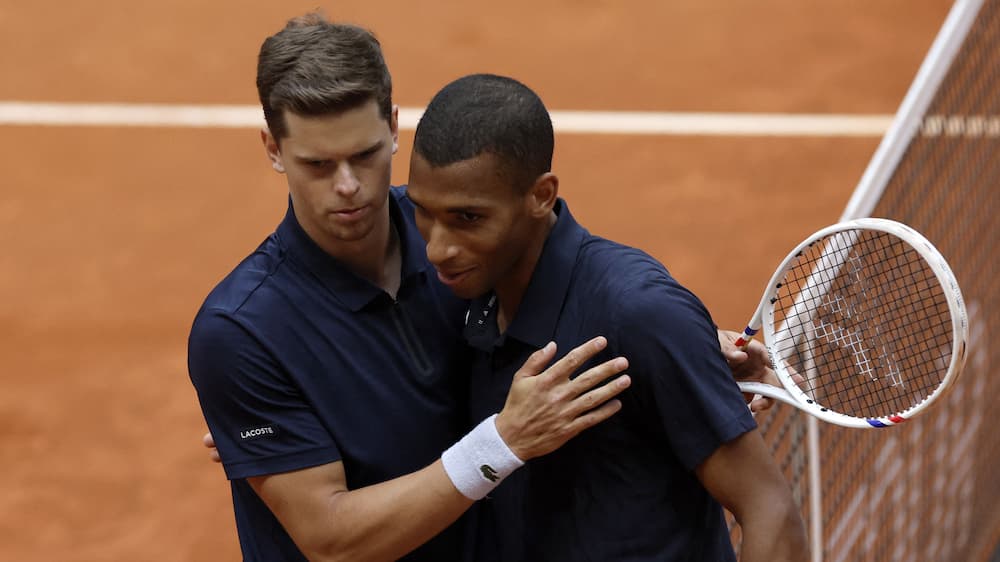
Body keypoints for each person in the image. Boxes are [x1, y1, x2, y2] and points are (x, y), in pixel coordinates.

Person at [191, 12, 795, 562]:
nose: (348, 186)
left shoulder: (462, 239)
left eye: (366, 155)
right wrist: (501, 443)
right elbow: (329, 539)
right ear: (274, 149)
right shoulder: (243, 332)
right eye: (318, 165)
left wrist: (676, 347)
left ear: (396, 129)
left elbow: (581, 292)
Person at [404, 73, 809, 561]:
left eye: (468, 218)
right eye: (423, 211)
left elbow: (769, 508)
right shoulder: (469, 292)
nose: (437, 248)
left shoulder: (638, 315)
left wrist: (681, 344)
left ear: (540, 195)